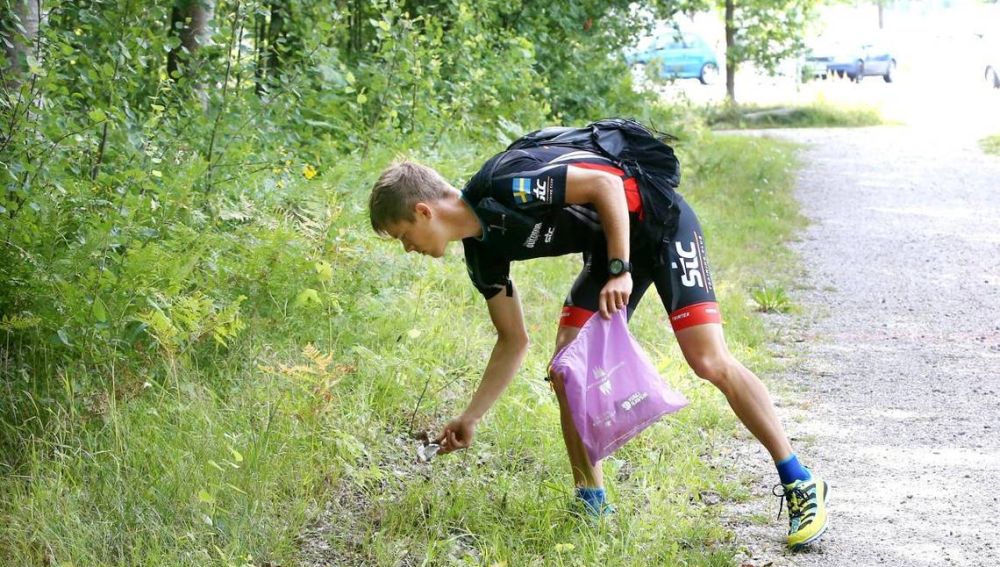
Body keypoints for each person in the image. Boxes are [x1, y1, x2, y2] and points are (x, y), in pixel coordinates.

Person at [367, 132, 829, 549]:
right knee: (567, 365)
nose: (408, 248)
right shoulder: (483, 257)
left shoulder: (506, 184)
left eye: (404, 236)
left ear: (423, 211)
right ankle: (592, 501)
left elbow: (605, 186)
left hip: (661, 224)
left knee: (708, 360)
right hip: (612, 246)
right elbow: (512, 340)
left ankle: (799, 480)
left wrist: (619, 270)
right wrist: (471, 417)